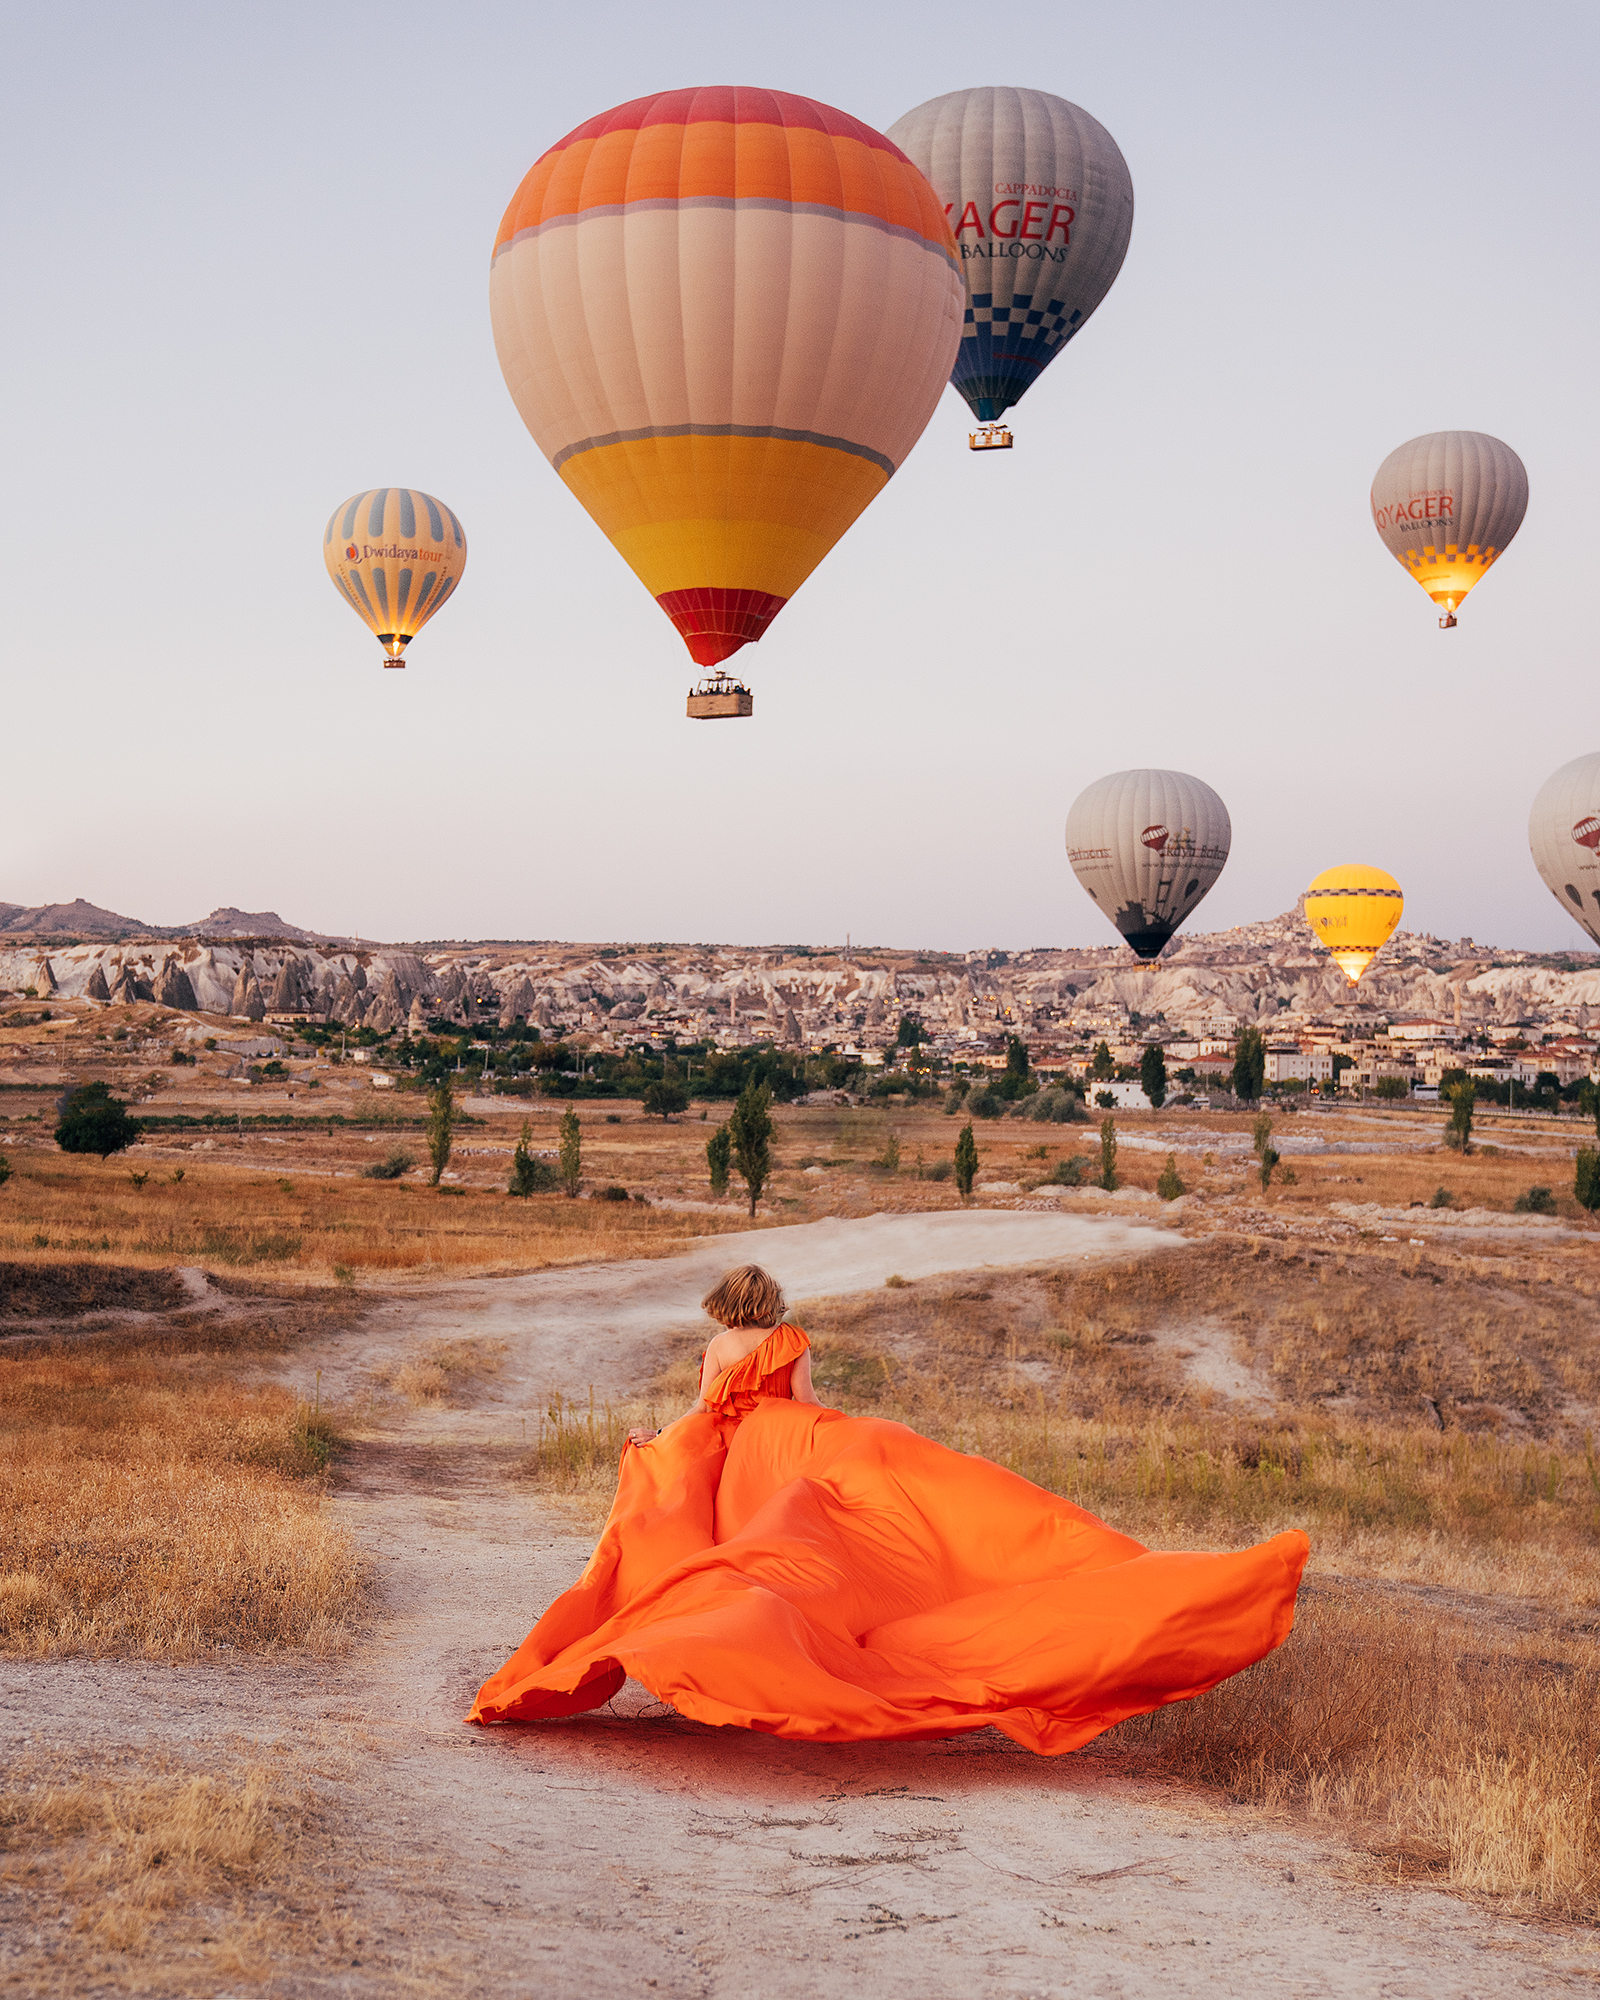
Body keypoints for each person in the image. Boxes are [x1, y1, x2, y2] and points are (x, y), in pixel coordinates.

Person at [468, 1263, 1307, 1754]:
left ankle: (723, 1653)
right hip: (794, 1443)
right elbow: (810, 1402)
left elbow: (701, 1414)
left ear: (728, 1308)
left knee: (743, 1556)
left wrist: (655, 1441)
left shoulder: (719, 1349)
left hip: (740, 1453)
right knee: (818, 1547)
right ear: (773, 1306)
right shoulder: (791, 1343)